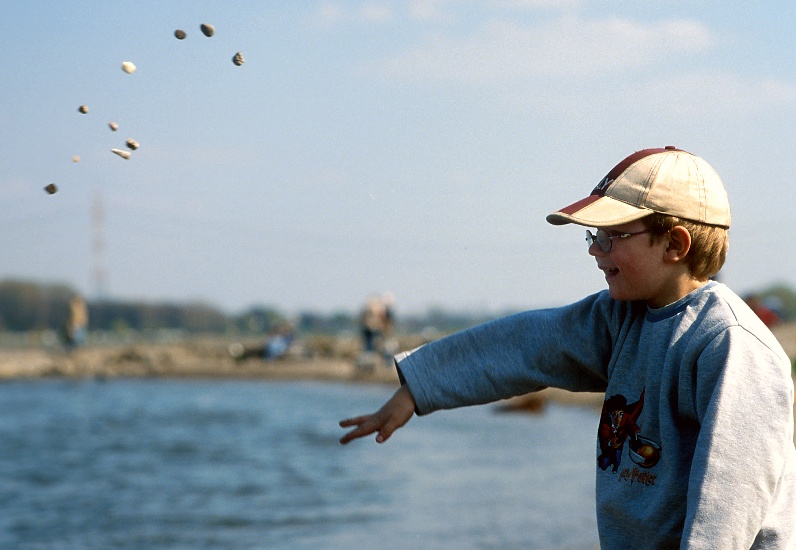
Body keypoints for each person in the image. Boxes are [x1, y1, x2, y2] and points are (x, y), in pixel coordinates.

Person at [339, 146, 796, 548]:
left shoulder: (730, 345)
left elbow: (731, 494)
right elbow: (527, 344)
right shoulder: (620, 319)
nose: (595, 251)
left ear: (674, 244)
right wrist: (418, 388)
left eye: (612, 236)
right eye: (593, 236)